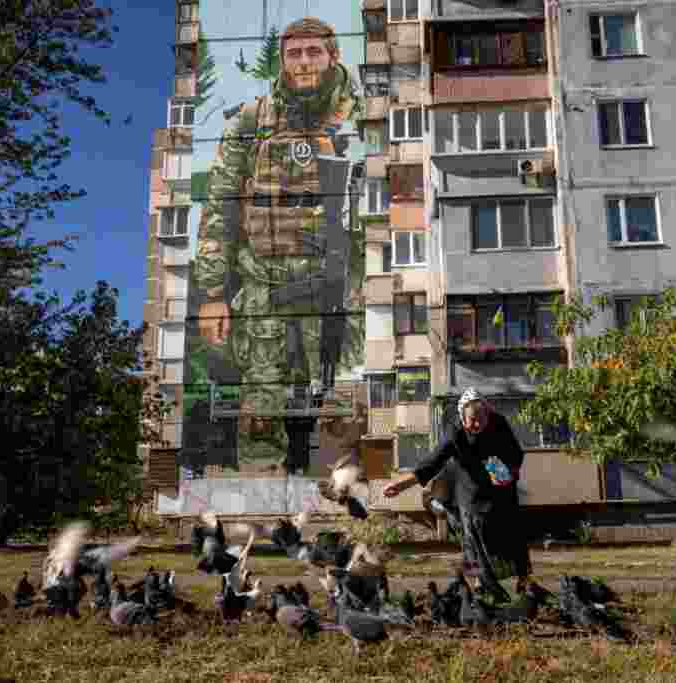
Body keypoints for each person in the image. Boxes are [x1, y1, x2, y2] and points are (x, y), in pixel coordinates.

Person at [193, 15, 365, 473]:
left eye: (314, 51)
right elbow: (220, 207)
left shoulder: (363, 118)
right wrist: (213, 294)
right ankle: (260, 497)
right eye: (294, 53)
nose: (304, 62)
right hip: (263, 283)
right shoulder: (251, 121)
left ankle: (341, 497)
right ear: (283, 60)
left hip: (332, 287)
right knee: (262, 397)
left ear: (333, 56)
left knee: (338, 396)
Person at [383, 388, 537, 602]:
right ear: (462, 418)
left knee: (511, 528)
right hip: (469, 487)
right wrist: (401, 485)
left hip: (500, 484)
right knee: (471, 534)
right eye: (472, 420)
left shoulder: (498, 423)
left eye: (481, 418)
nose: (477, 424)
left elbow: (515, 453)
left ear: (488, 414)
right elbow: (432, 462)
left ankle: (524, 580)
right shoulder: (454, 433)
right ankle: (479, 584)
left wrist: (508, 471)